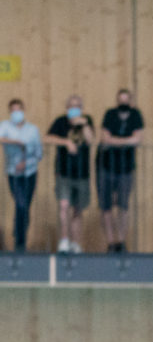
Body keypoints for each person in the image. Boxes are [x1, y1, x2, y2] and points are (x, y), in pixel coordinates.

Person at [45, 94, 95, 253]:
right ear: (67, 108)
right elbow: (47, 138)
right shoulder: (60, 121)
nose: (74, 109)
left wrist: (84, 124)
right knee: (64, 205)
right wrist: (65, 142)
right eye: (71, 106)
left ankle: (76, 242)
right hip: (63, 172)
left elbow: (90, 140)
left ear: (82, 108)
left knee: (78, 210)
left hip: (82, 173)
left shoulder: (87, 121)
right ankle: (64, 239)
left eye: (77, 106)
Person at [95, 88, 144, 253]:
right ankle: (111, 242)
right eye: (120, 100)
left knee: (123, 205)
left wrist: (115, 141)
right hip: (106, 166)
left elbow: (138, 139)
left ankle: (121, 241)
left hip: (126, 168)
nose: (123, 103)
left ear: (130, 101)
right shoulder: (110, 114)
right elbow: (105, 138)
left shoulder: (136, 115)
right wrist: (126, 141)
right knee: (106, 206)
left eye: (126, 100)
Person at [0, 98, 43, 252]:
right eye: (13, 110)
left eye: (18, 110)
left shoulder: (32, 130)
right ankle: (19, 240)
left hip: (30, 172)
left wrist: (26, 162)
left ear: (23, 111)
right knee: (21, 204)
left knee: (25, 206)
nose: (16, 113)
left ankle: (21, 234)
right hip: (14, 173)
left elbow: (39, 153)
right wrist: (16, 142)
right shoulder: (5, 126)